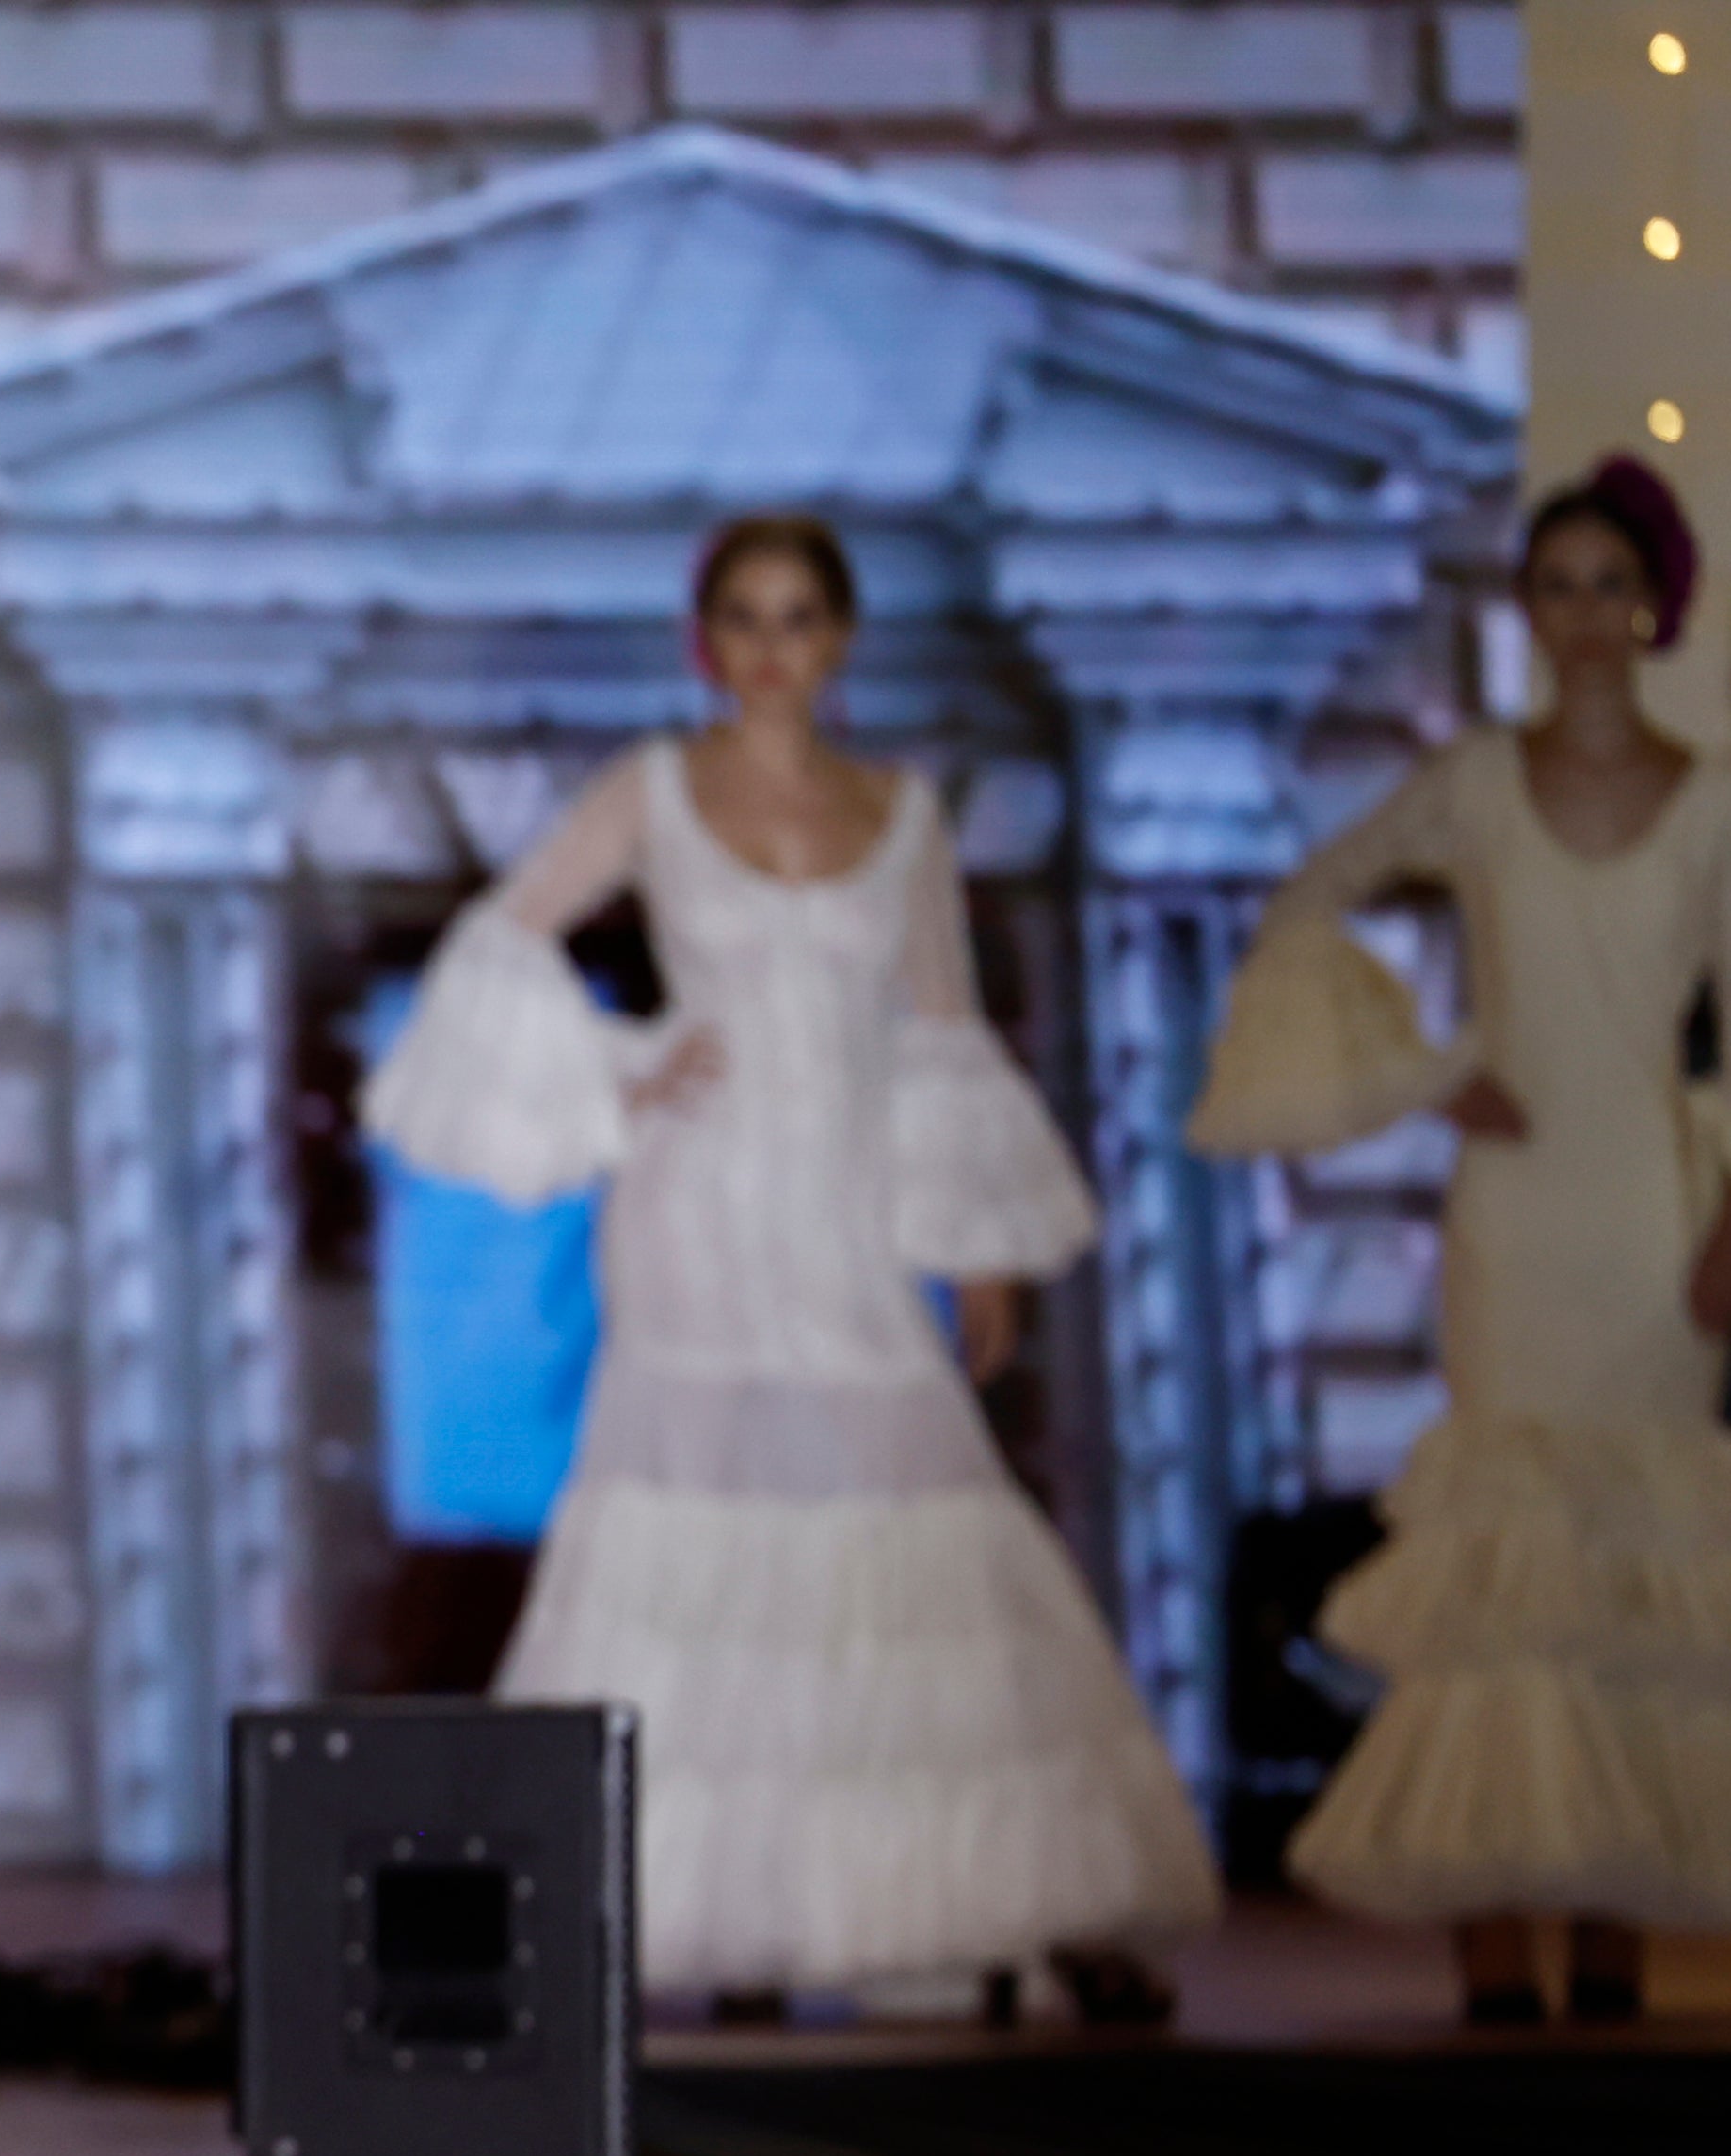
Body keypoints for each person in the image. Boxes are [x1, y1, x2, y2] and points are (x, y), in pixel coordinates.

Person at [361, 513, 1219, 2015]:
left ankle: (916, 1912)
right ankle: (718, 1930)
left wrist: (981, 1258)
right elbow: (500, 940)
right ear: (707, 642)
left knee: (903, 1526)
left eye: (798, 616)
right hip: (698, 1214)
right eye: (743, 619)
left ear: (839, 639)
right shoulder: (652, 788)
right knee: (702, 1536)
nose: (771, 648)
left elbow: (941, 1033)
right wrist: (619, 1073)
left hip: (848, 1211)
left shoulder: (903, 813)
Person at [1191, 457, 1731, 2024]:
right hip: (1514, 1222)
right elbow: (1307, 896)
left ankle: (1615, 1938)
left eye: (1607, 585)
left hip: (1652, 1222)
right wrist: (1430, 1070)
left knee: (1630, 1576)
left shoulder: (1714, 803)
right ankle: (1495, 1944)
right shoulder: (1473, 785)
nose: (1582, 613)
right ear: (1525, 610)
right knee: (1510, 1577)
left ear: (1654, 607)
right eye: (1554, 583)